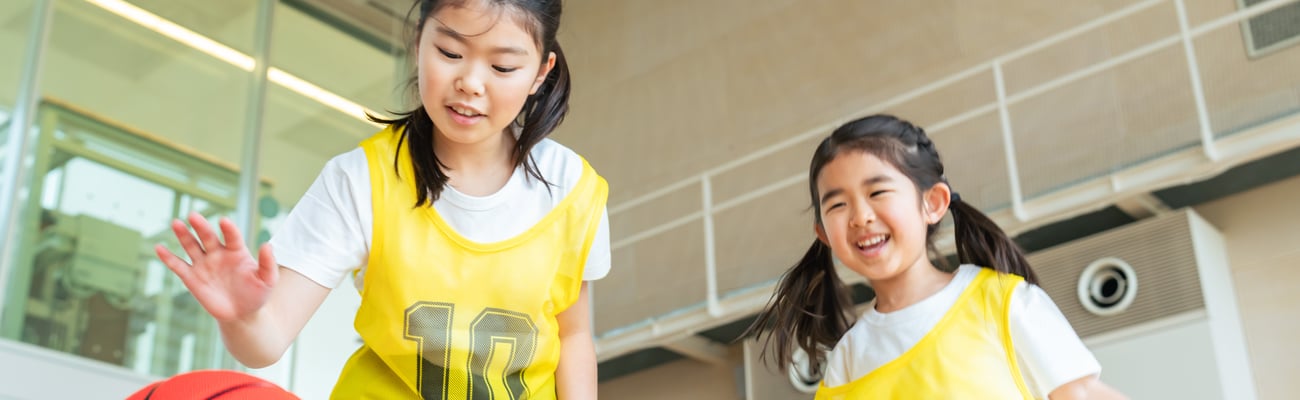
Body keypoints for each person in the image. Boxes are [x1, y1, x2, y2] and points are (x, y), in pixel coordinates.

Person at [154, 0, 608, 398]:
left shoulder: (572, 188)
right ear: (418, 41)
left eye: (503, 67)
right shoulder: (358, 180)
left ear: (540, 73)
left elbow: (573, 337)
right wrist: (241, 317)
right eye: (449, 53)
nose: (470, 82)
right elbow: (265, 344)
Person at [745, 114, 1126, 399]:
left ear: (933, 203)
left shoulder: (1001, 301)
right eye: (839, 204)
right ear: (823, 234)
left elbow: (1081, 394)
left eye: (877, 193)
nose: (860, 216)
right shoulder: (847, 358)